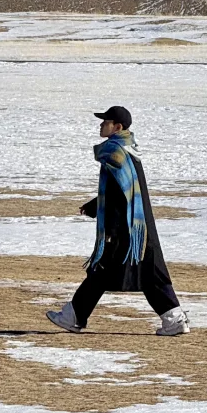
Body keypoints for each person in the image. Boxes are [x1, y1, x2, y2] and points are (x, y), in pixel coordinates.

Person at [46, 105, 190, 337]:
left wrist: (111, 228)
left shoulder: (116, 153)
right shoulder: (128, 150)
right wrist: (95, 206)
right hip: (138, 226)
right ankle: (174, 320)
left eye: (105, 121)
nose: (101, 125)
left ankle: (73, 316)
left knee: (104, 271)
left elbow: (120, 195)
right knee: (149, 274)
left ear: (118, 127)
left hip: (126, 229)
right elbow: (121, 190)